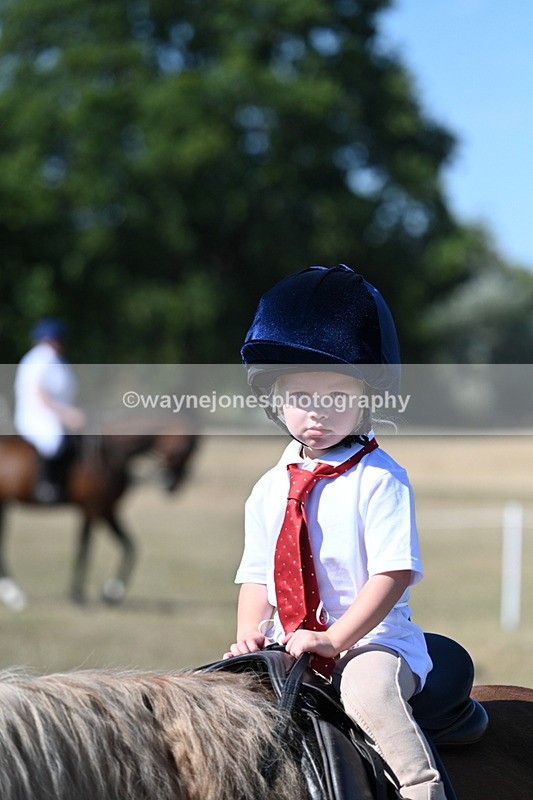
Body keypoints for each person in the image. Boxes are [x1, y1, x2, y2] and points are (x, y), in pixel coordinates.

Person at [224, 265, 447, 800]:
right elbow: (256, 576)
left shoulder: (380, 478)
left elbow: (393, 574)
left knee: (369, 697)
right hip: (290, 641)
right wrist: (251, 633)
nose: (317, 411)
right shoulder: (268, 488)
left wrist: (334, 639)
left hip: (371, 642)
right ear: (276, 400)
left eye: (335, 395)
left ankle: (422, 787)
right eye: (301, 395)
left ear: (365, 398)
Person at [14, 318, 86, 503]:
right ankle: (46, 486)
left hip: (55, 415)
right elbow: (40, 394)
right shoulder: (40, 359)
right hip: (37, 416)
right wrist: (66, 414)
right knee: (52, 441)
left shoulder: (57, 360)